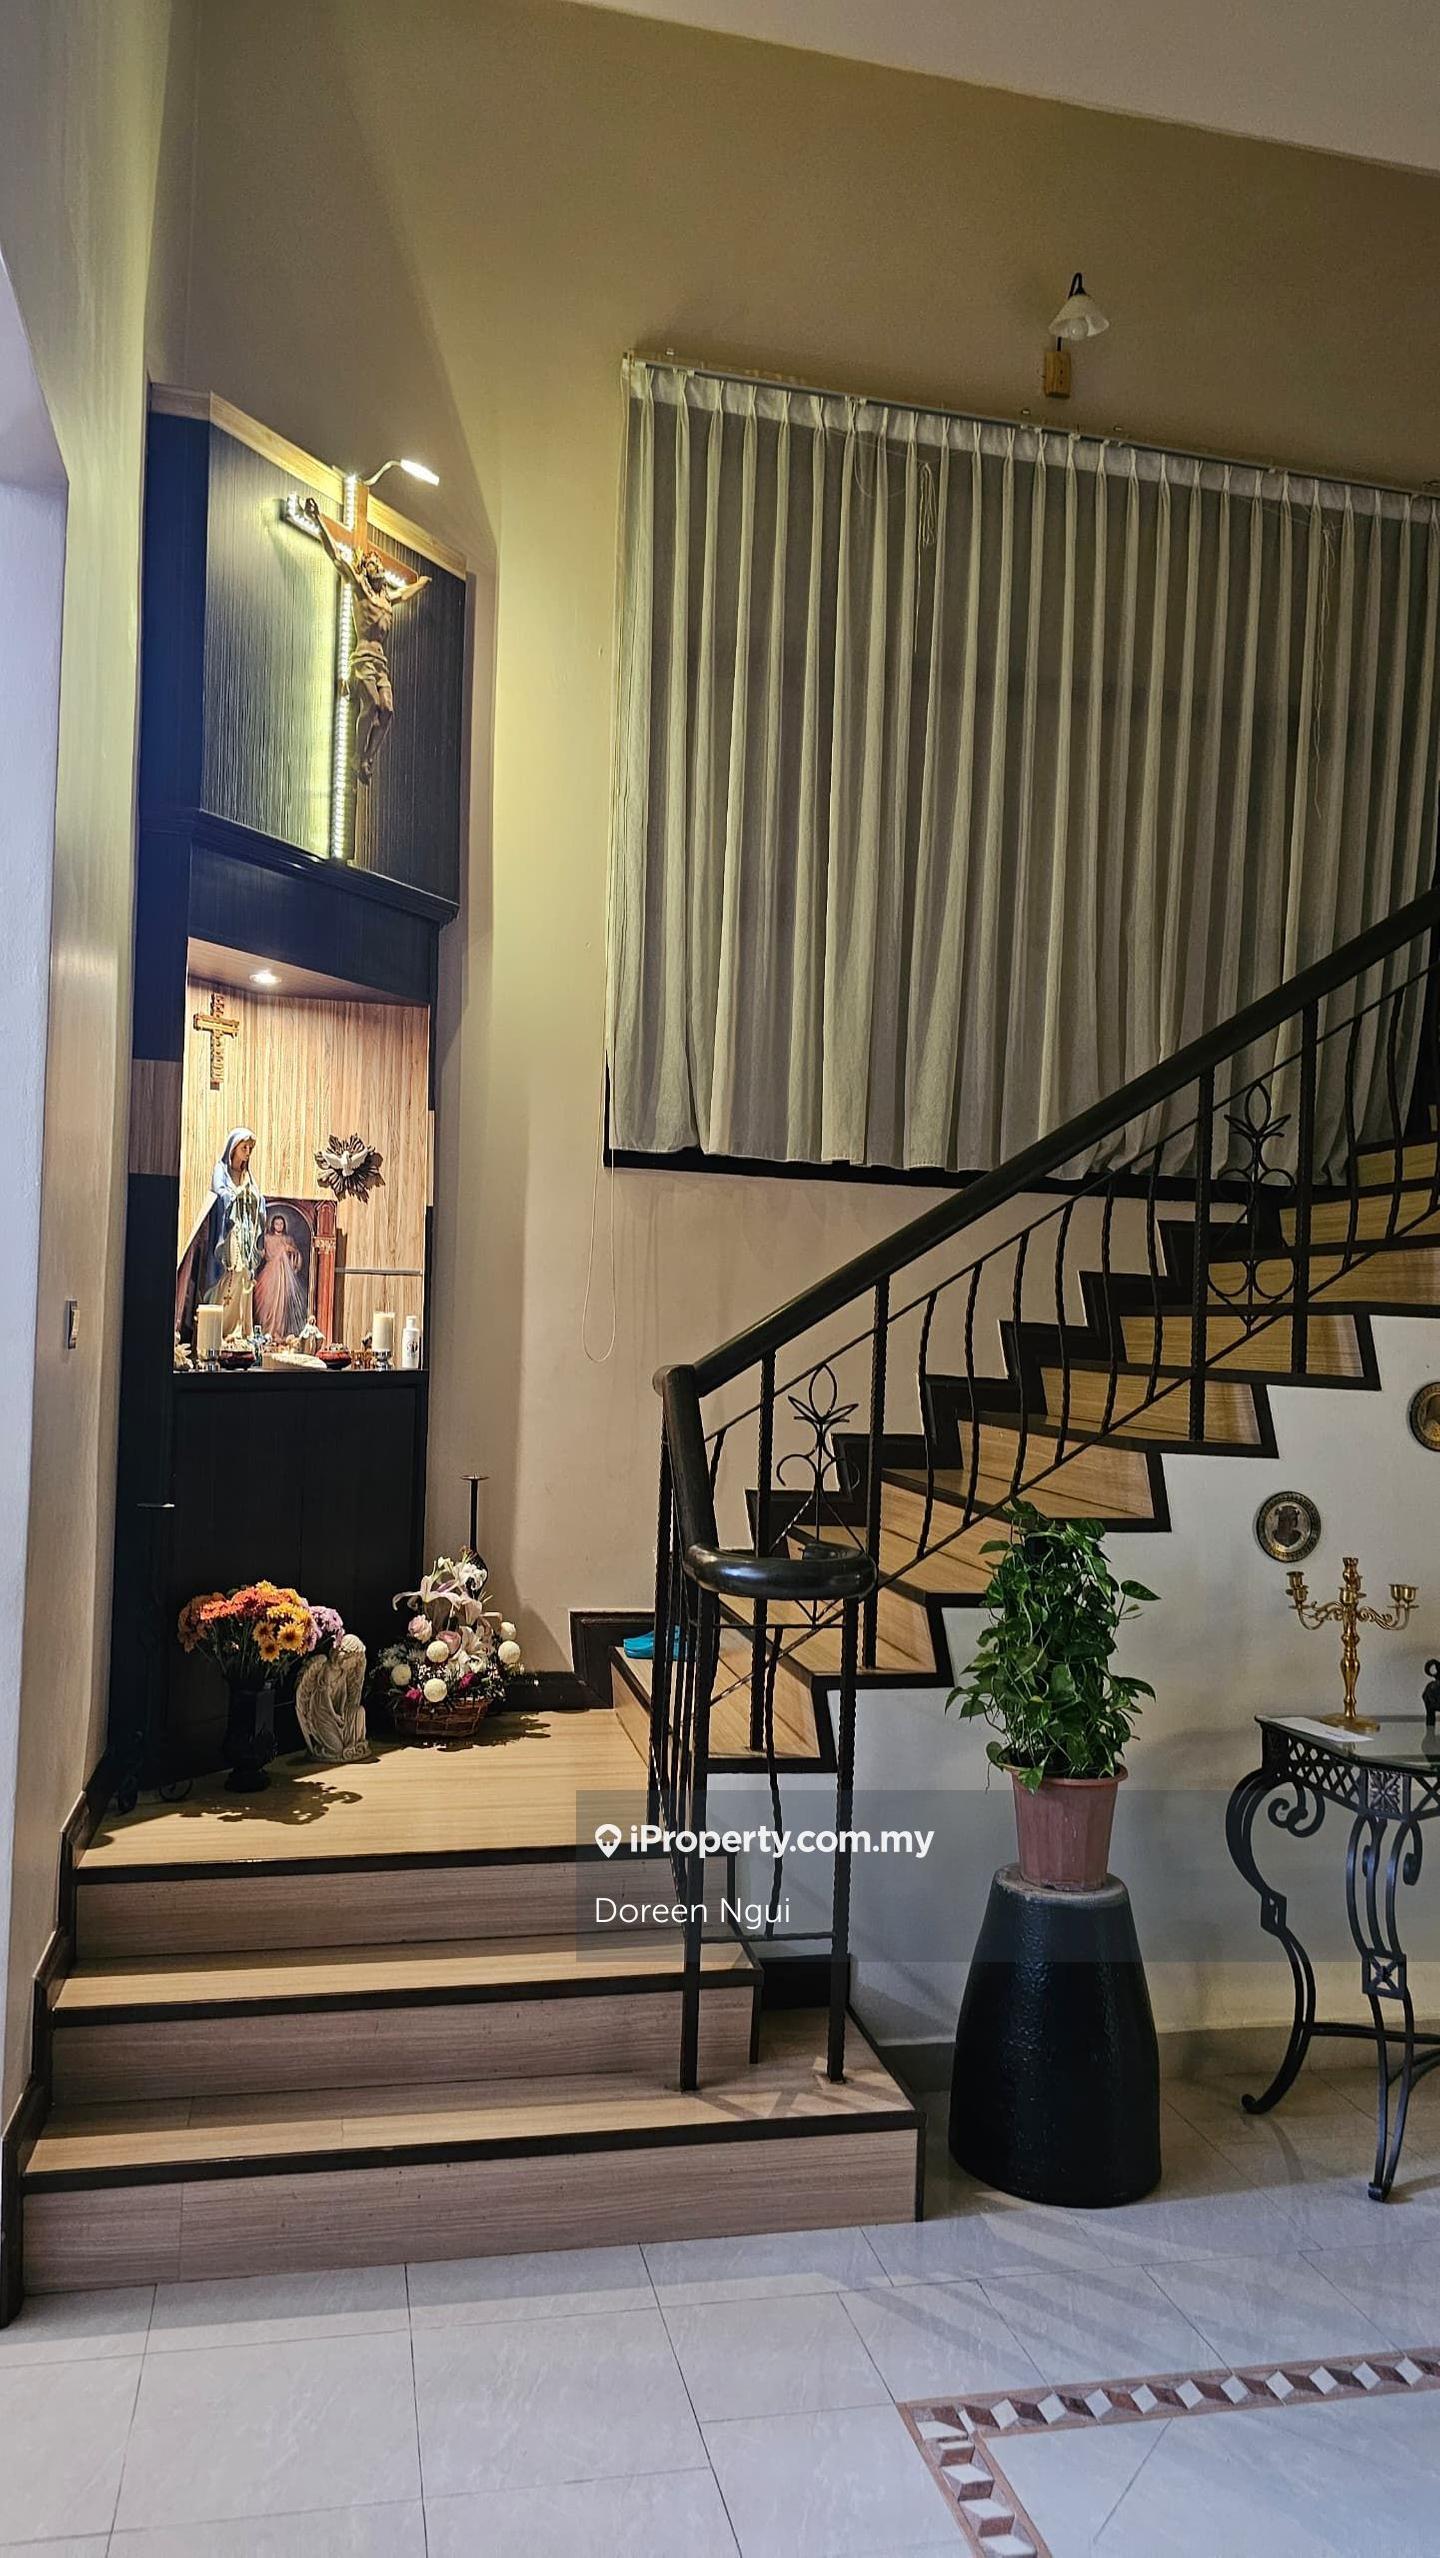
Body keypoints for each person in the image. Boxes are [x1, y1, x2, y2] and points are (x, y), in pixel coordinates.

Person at [303, 497, 430, 783]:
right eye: (372, 564)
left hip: (380, 662)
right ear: (365, 570)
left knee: (388, 710)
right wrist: (318, 519)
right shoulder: (361, 589)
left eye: (378, 563)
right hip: (363, 657)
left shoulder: (387, 597)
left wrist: (421, 584)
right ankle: (356, 755)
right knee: (371, 704)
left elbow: (405, 593)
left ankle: (368, 758)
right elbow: (337, 556)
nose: (378, 567)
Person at [203, 1128, 265, 1338]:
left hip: (245, 1233)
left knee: (245, 1274)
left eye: (249, 1149)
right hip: (229, 1230)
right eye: (244, 1147)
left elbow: (258, 1199)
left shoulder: (248, 1176)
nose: (247, 1152)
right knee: (230, 1272)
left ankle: (238, 1330)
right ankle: (218, 1330)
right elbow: (220, 1193)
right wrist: (237, 1194)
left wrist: (253, 1197)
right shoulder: (221, 1170)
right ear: (233, 1148)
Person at [254, 1210, 308, 1339]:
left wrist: (290, 1251)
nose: (279, 1226)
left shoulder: (288, 1239)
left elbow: (296, 1256)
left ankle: (278, 1331)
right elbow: (262, 1254)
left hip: (284, 1275)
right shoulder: (267, 1238)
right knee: (267, 1301)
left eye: (281, 1224)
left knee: (281, 1305)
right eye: (277, 1224)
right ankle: (266, 1330)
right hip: (269, 1273)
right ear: (273, 1224)